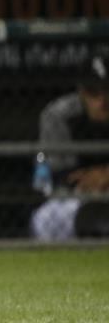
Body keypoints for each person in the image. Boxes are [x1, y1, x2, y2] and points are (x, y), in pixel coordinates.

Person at [31, 54, 109, 241]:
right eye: (93, 92)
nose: (103, 101)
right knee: (44, 218)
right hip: (76, 199)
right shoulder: (58, 115)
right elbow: (62, 175)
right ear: (81, 92)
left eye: (107, 90)